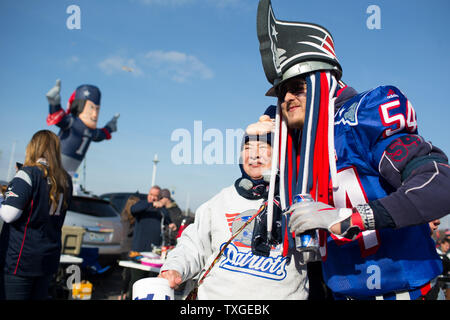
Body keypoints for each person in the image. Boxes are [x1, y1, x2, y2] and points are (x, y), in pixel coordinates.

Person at [248, 0, 450, 300]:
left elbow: (440, 184)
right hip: (337, 291)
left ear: (324, 80)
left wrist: (348, 219)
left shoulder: (363, 114)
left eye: (298, 85)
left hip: (403, 290)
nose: (287, 96)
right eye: (281, 90)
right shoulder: (295, 140)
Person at [159, 121, 310, 300]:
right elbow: (192, 246)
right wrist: (174, 268)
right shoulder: (220, 201)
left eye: (263, 147)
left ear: (280, 153)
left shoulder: (299, 200)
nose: (253, 155)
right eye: (247, 148)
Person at [0, 130, 73, 300]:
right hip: (47, 259)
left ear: (34, 147)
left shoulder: (28, 173)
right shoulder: (65, 180)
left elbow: (9, 215)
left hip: (20, 260)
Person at [45, 79, 119, 178]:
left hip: (71, 170)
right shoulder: (72, 122)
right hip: (56, 163)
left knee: (63, 186)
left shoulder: (92, 131)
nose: (95, 114)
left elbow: (101, 135)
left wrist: (110, 126)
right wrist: (54, 103)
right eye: (91, 108)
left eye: (97, 109)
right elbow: (59, 118)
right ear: (79, 105)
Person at [127, 186, 174, 298]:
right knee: (136, 282)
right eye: (151, 195)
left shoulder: (161, 209)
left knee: (152, 284)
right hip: (138, 252)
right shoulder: (142, 205)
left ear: (159, 197)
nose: (152, 198)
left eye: (155, 196)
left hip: (155, 255)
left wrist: (171, 223)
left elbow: (168, 219)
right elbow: (133, 210)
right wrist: (151, 204)